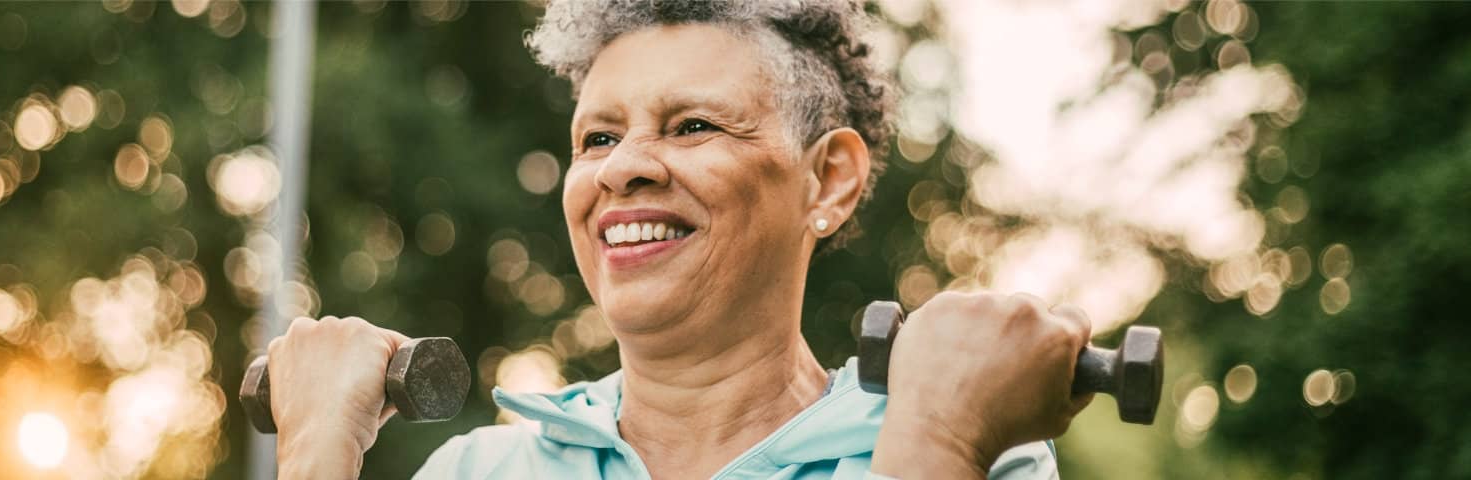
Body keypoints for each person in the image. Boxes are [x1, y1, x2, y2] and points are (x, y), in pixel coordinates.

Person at [260, 1, 1094, 478]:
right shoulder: (481, 472)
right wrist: (317, 447)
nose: (622, 170)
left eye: (692, 125)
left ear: (828, 179)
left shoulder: (972, 447)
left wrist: (940, 442)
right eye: (596, 139)